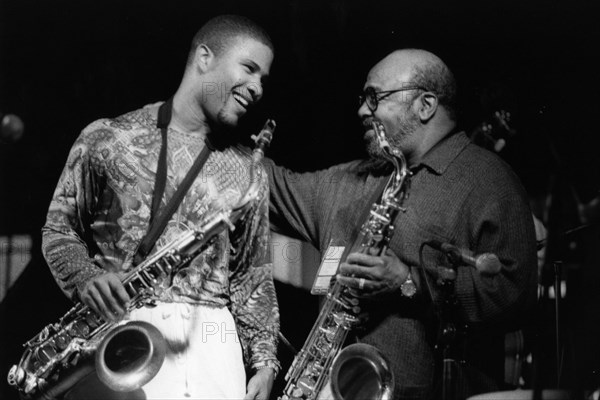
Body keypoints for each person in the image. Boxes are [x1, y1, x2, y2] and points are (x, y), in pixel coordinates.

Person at [267, 49, 538, 399]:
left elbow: (515, 295)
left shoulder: (489, 181)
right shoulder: (349, 179)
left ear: (425, 105)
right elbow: (266, 182)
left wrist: (410, 281)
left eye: (375, 97)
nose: (363, 110)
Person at [41, 14, 279, 400]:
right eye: (249, 69)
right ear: (205, 57)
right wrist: (85, 277)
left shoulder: (248, 169)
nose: (256, 88)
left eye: (263, 80)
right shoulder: (107, 137)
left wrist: (265, 362)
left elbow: (253, 274)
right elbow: (58, 229)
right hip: (122, 328)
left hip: (213, 336)